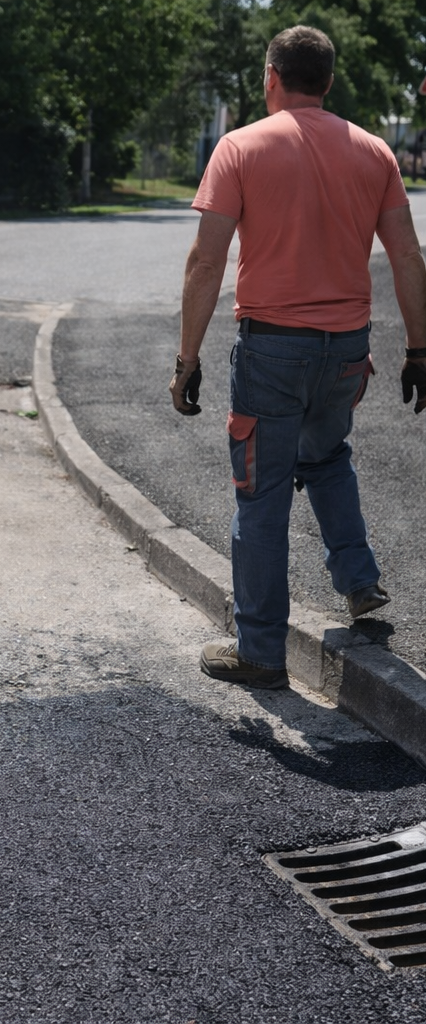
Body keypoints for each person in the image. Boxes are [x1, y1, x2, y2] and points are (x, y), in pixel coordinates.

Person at [168, 25, 426, 691]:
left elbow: (205, 263)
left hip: (272, 352)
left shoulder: (241, 147)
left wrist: (186, 358)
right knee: (328, 458)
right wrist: (421, 348)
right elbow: (407, 256)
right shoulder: (374, 153)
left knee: (261, 497)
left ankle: (259, 652)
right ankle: (360, 582)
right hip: (347, 354)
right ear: (330, 82)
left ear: (270, 76)